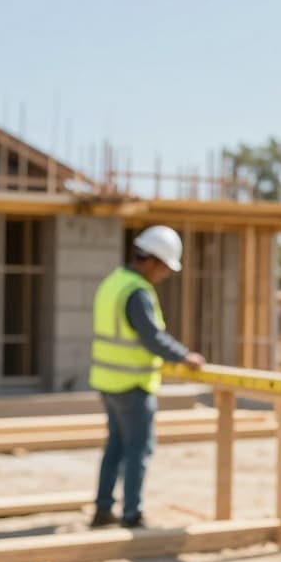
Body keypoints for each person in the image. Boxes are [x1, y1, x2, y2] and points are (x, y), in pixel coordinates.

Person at [89, 225, 205, 529]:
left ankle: (103, 510)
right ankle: (131, 514)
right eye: (165, 268)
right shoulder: (136, 292)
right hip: (132, 384)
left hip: (108, 381)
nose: (165, 275)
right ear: (152, 260)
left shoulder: (113, 281)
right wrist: (184, 356)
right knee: (137, 450)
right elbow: (152, 338)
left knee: (114, 447)